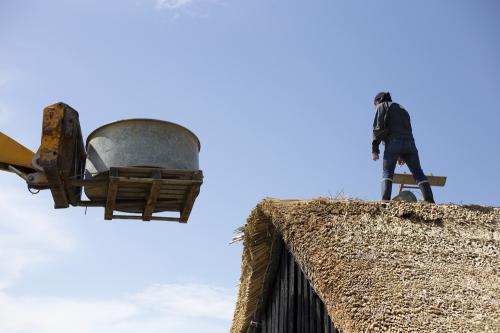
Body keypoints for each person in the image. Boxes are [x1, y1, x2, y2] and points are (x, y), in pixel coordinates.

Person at [371, 92, 435, 203]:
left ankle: (385, 202)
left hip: (393, 142)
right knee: (418, 173)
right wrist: (401, 154)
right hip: (410, 144)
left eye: (375, 105)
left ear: (379, 100)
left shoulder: (382, 106)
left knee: (387, 172)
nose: (375, 108)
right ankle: (430, 202)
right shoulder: (403, 109)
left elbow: (378, 128)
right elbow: (404, 130)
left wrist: (374, 149)